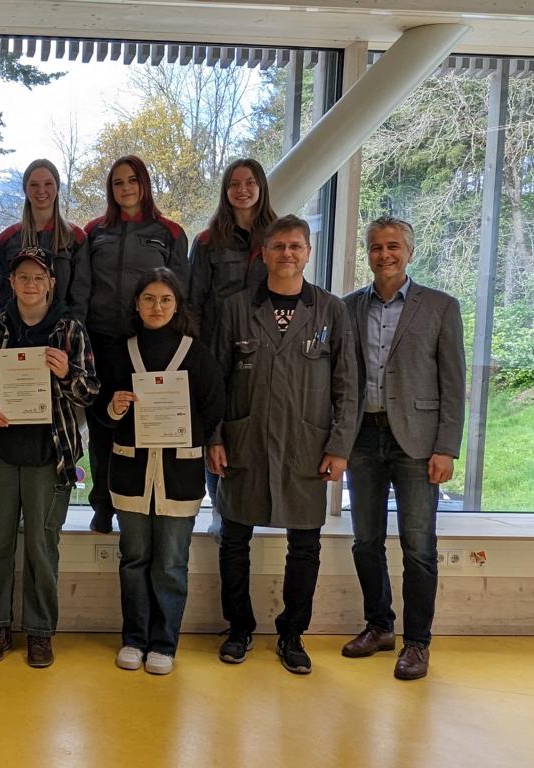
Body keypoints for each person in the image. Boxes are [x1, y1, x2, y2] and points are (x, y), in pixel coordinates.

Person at [207, 215, 358, 675]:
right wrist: (213, 436)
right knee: (233, 540)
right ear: (265, 253)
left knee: (305, 545)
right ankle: (238, 628)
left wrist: (339, 447)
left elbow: (348, 386)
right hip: (243, 441)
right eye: (279, 247)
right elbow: (214, 380)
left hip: (306, 446)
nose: (287, 254)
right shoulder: (235, 309)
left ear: (308, 253)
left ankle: (293, 633)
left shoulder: (332, 311)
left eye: (296, 246)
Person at [341, 216, 466, 680]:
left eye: (393, 246)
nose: (384, 254)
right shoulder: (349, 307)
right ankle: (379, 626)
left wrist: (446, 447)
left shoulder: (440, 307)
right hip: (363, 438)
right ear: (367, 254)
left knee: (419, 547)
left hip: (417, 442)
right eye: (375, 247)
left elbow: (453, 383)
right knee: (366, 541)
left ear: (409, 252)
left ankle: (417, 643)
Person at [0, 248, 99, 668]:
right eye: (22, 276)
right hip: (0, 453)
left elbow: (91, 391)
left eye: (38, 277)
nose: (30, 284)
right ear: (11, 283)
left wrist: (66, 374)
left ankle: (40, 632)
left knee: (43, 546)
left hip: (50, 454)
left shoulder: (69, 330)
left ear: (50, 283)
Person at [101, 268, 223, 675]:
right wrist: (115, 408)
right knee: (134, 559)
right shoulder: (120, 351)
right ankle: (134, 639)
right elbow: (100, 410)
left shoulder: (197, 353)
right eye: (149, 299)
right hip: (131, 472)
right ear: (137, 304)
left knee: (170, 563)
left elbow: (213, 409)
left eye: (165, 299)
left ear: (178, 305)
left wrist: (182, 427)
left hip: (179, 475)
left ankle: (164, 643)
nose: (157, 307)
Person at [68, 155, 189, 534]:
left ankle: (144, 503)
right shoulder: (95, 231)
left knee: (146, 424)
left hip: (150, 344)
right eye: (118, 182)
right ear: (111, 189)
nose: (125, 188)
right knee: (104, 425)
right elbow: (82, 288)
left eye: (132, 181)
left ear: (144, 184)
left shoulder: (169, 231)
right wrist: (80, 335)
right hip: (102, 342)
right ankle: (102, 504)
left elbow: (180, 292)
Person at [188, 159, 276, 539]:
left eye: (250, 182)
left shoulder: (276, 236)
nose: (242, 189)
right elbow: (192, 301)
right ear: (225, 191)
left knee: (253, 424)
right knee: (216, 427)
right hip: (215, 350)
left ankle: (254, 504)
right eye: (234, 183)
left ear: (261, 188)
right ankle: (220, 506)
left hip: (265, 350)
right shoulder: (208, 241)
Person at [0, 159, 84, 311]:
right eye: (34, 184)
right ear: (25, 190)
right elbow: (2, 294)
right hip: (19, 331)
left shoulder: (75, 237)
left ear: (57, 187)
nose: (41, 190)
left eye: (48, 184)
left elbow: (81, 293)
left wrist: (69, 329)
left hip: (63, 328)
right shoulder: (7, 239)